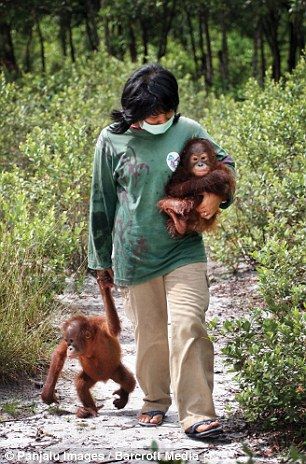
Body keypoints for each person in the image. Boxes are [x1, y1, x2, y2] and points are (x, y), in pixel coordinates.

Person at [88, 64, 235, 440]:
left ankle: (197, 413)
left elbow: (225, 164)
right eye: (152, 112)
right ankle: (154, 399)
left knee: (188, 324)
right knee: (150, 333)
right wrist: (99, 260)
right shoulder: (111, 140)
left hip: (183, 248)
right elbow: (101, 200)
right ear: (132, 109)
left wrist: (217, 195)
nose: (161, 118)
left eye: (167, 111)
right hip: (134, 253)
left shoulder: (188, 131)